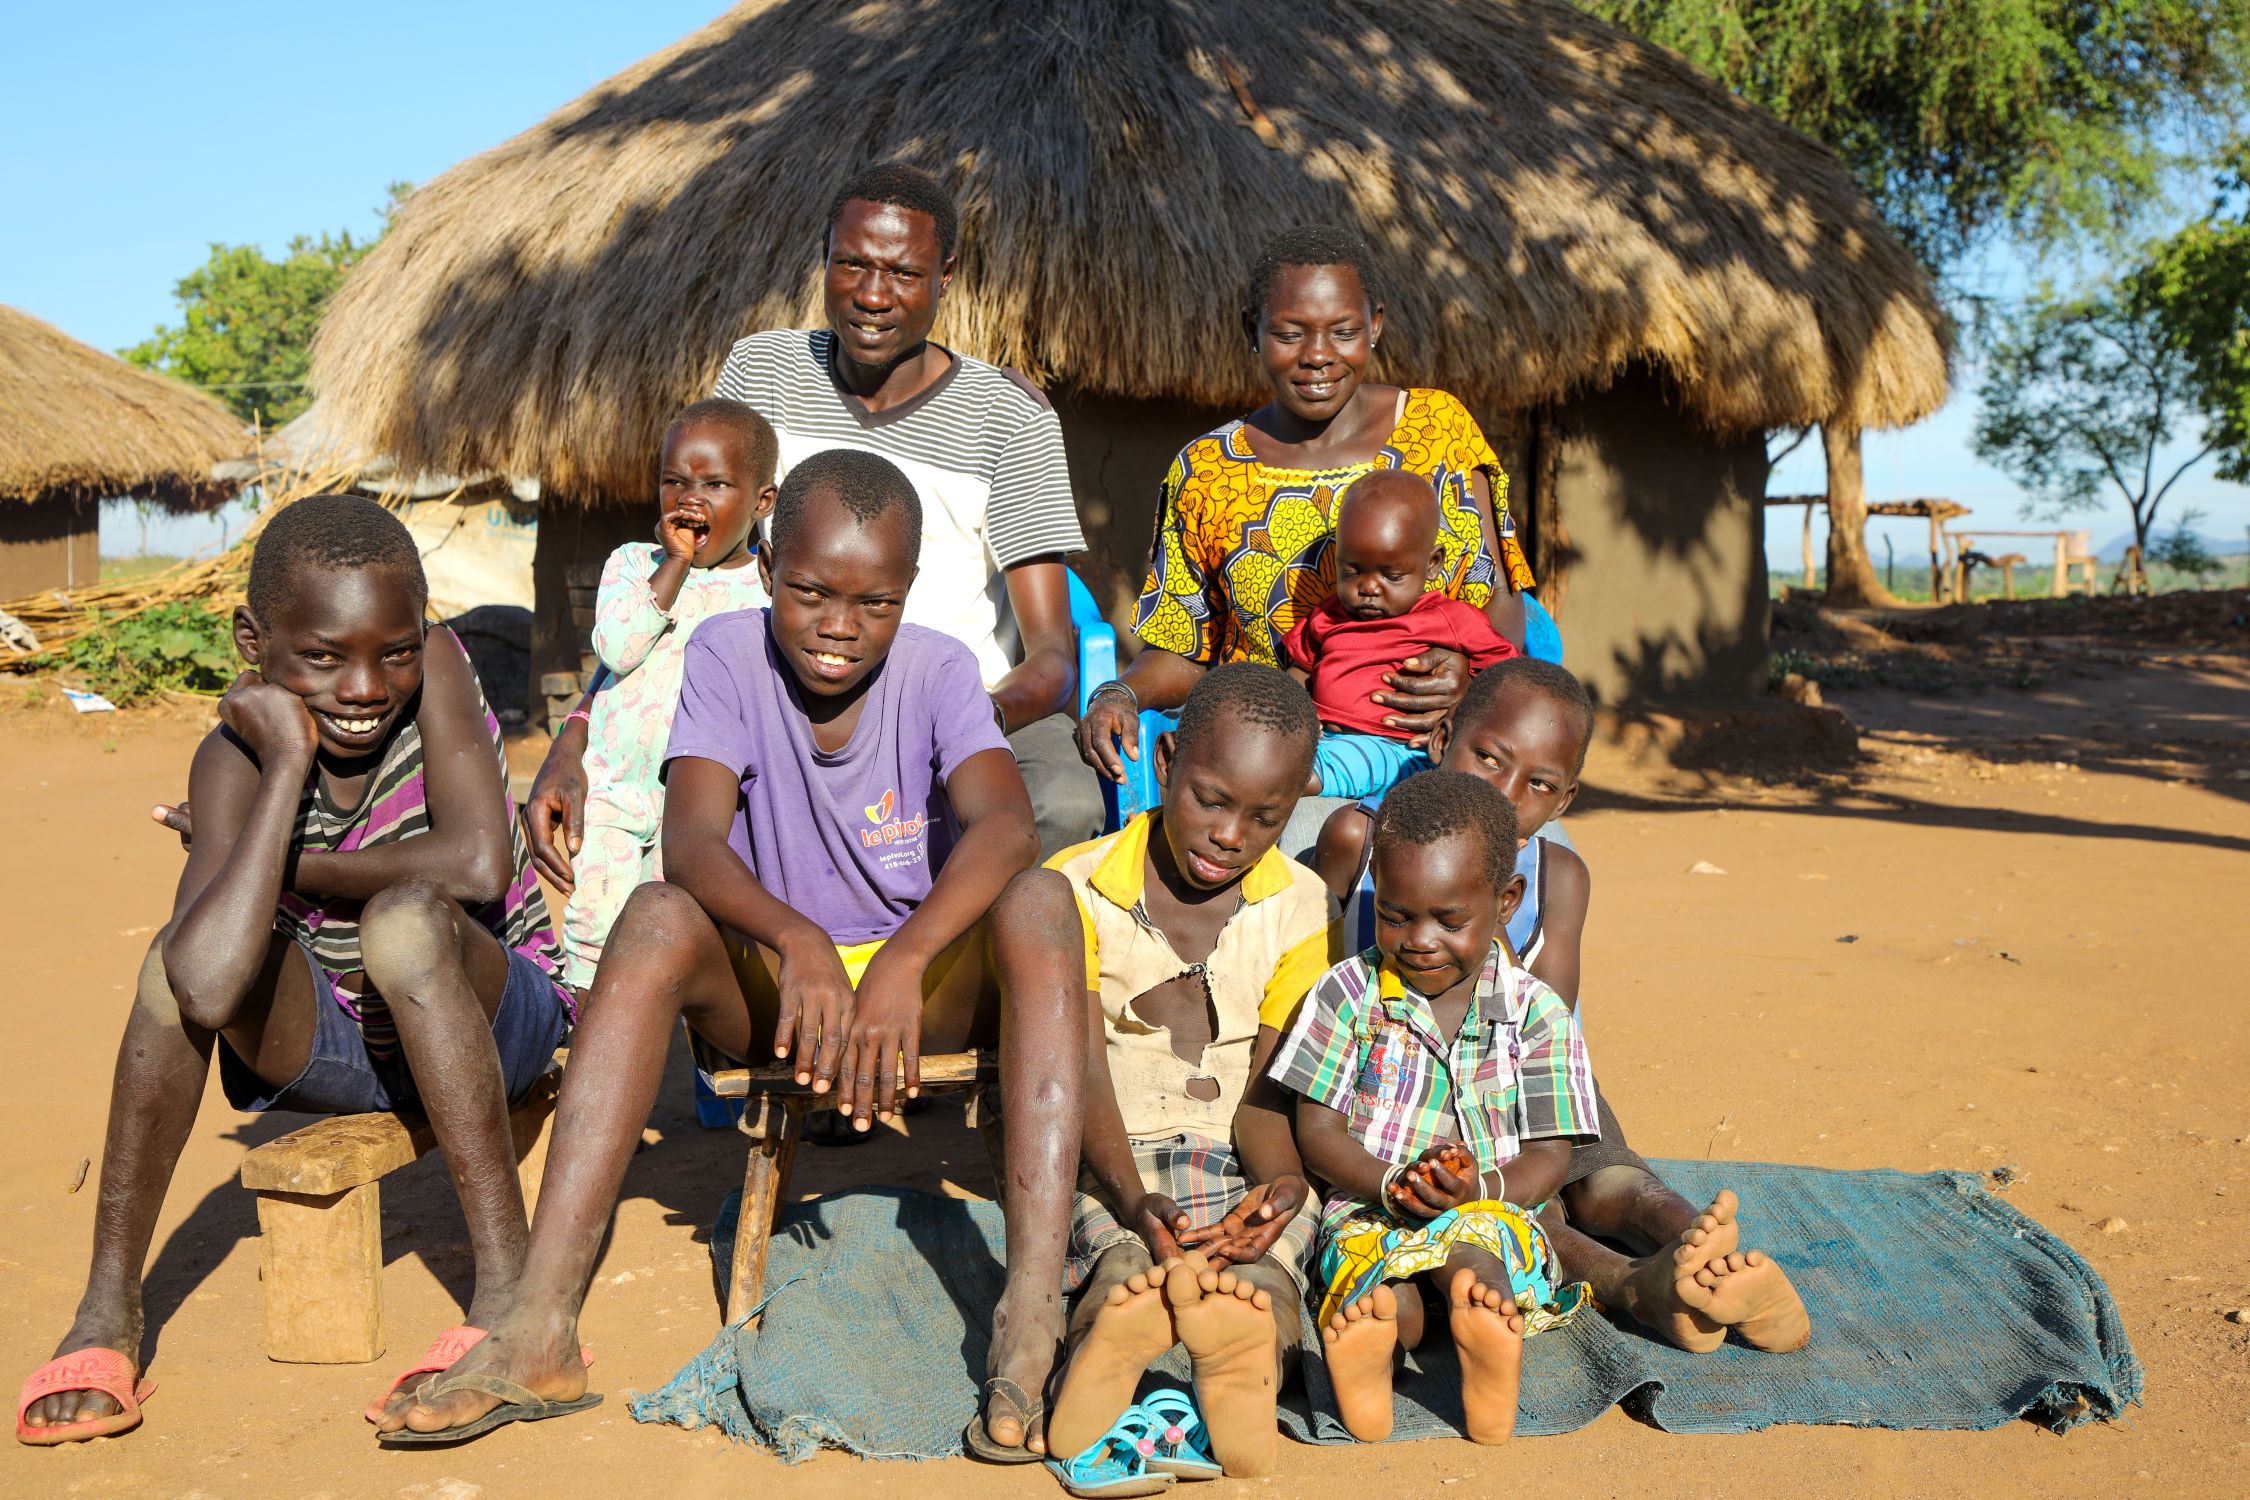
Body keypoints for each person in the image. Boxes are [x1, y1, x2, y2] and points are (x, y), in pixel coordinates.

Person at [379, 450, 1088, 1458]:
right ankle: (539, 1326)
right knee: (658, 913)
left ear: (908, 594)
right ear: (764, 570)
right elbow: (694, 841)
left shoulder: (938, 669)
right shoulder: (721, 652)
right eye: (809, 592)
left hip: (917, 986)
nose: (839, 626)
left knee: (1044, 902)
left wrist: (901, 958)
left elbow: (1007, 824)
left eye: (873, 602)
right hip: (774, 982)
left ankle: (1029, 1320)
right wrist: (797, 936)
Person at [17, 495, 575, 1446]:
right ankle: (108, 1307)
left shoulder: (435, 664)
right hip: (342, 1046)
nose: (365, 684)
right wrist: (281, 770)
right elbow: (203, 987)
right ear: (254, 643)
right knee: (169, 962)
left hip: (489, 1013)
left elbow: (478, 862)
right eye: (322, 657)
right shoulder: (231, 760)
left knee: (404, 922)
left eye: (391, 650)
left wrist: (268, 863)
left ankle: (509, 1298)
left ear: (422, 630)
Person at [526, 163, 1101, 888]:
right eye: (851, 264)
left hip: (959, 704)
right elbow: (690, 565)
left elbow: (1052, 654)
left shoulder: (1008, 420)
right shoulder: (764, 374)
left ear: (947, 275)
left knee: (1062, 800)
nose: (870, 294)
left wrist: (962, 720)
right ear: (823, 256)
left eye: (903, 273)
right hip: (780, 696)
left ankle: (971, 985)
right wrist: (578, 732)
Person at [1310, 660, 1811, 1356]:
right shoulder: (1357, 841)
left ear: (1564, 799)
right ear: (1443, 737)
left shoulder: (1558, 878)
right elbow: (1304, 974)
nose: (1506, 793)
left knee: (1609, 1182)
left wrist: (1493, 950)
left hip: (1512, 1066)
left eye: (1538, 783)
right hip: (1388, 1072)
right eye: (1488, 758)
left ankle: (1700, 1252)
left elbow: (1544, 1025)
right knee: (1533, 1205)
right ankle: (1637, 1285)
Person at [1077, 223, 1537, 837]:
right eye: (1290, 333)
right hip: (1280, 765)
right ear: (1253, 332)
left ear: (1374, 324)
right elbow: (1185, 647)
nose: (1318, 354)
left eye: (1343, 331)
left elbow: (1501, 597)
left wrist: (1473, 685)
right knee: (1301, 850)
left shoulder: (1440, 431)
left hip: (1438, 749)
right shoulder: (1205, 471)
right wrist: (1123, 692)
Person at [1039, 664, 1341, 1480]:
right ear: (1165, 762)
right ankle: (1106, 1350)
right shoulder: (1075, 884)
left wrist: (1276, 1188)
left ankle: (1247, 1363)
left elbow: (1267, 1090)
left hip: (1237, 1154)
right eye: (1212, 800)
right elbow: (1077, 1075)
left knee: (1267, 1275)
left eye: (1265, 817)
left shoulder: (1302, 904)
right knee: (1120, 1264)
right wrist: (1133, 1199)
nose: (1231, 835)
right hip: (1114, 1162)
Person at [1271, 772, 1594, 1446]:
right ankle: (1381, 1345)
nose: (1418, 938)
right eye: (1395, 914)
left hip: (1489, 1212)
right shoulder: (1346, 994)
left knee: (1475, 1258)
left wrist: (1478, 1189)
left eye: (1449, 920)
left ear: (1506, 902)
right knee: (1376, 1281)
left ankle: (1483, 1339)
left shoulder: (1538, 1013)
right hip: (1369, 1206)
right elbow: (1317, 1129)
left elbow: (1551, 1157)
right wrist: (1385, 1182)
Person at [558, 398, 778, 994]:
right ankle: (581, 1041)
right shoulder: (634, 563)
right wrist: (675, 563)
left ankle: (669, 1061)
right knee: (594, 924)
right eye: (674, 481)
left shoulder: (769, 591)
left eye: (715, 484)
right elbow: (617, 648)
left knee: (676, 932)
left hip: (704, 806)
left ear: (762, 502)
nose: (690, 498)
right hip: (615, 788)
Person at [1282, 470, 1516, 799]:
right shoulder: (1327, 615)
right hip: (1326, 741)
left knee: (1346, 763)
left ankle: (1296, 781)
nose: (1368, 588)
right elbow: (1299, 670)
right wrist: (1294, 714)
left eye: (1391, 575)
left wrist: (1468, 696)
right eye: (1351, 570)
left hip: (1401, 751)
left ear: (1432, 564)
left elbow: (1508, 676)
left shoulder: (1451, 619)